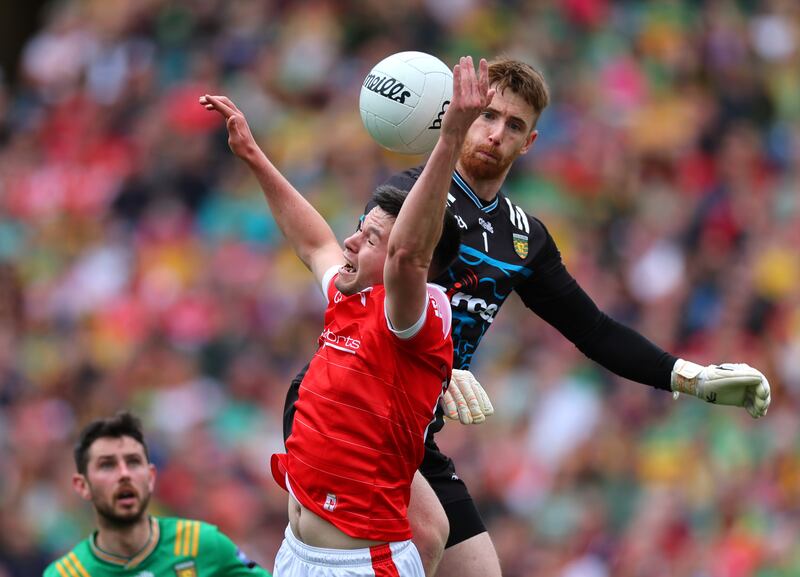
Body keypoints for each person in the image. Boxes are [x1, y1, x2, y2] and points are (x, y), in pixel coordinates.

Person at [283, 57, 773, 576]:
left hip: (415, 431)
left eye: (513, 125)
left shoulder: (525, 237)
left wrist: (688, 375)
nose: (496, 134)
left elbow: (593, 329)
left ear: (529, 143)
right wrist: (432, 365)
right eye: (487, 116)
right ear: (463, 116)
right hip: (349, 406)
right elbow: (361, 292)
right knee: (419, 541)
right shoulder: (412, 193)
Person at [200, 56, 492, 577]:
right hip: (295, 553)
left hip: (361, 566)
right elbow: (313, 242)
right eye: (359, 227)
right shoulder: (349, 292)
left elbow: (408, 257)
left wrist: (449, 140)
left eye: (371, 237)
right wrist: (251, 154)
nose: (352, 240)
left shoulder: (415, 317)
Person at [43, 411, 271, 577]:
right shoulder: (66, 574)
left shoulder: (203, 544)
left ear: (151, 477)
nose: (124, 474)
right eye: (107, 465)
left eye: (133, 462)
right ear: (82, 486)